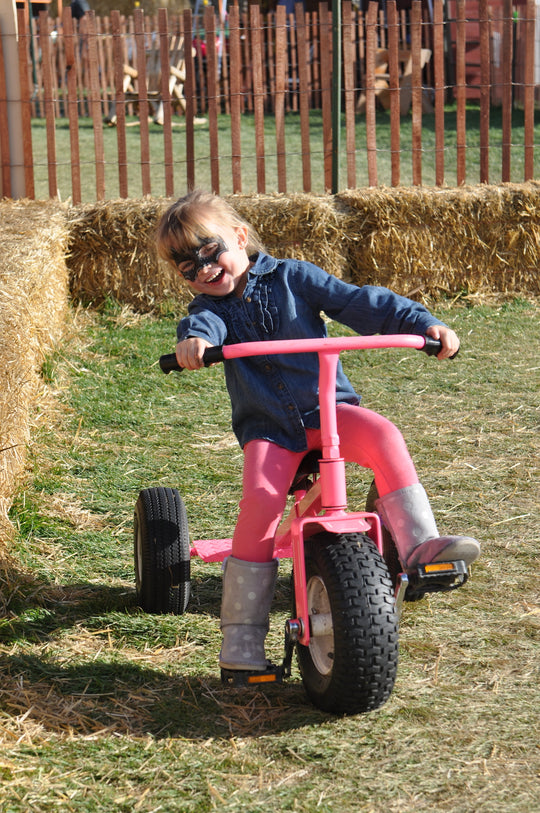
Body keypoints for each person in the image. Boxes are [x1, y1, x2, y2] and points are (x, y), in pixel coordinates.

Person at [156, 189, 480, 673]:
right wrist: (195, 344)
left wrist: (423, 323)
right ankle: (241, 639)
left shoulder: (293, 277)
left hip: (329, 411)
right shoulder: (209, 310)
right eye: (186, 266)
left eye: (210, 250)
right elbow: (200, 330)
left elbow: (361, 303)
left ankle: (418, 549)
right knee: (262, 501)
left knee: (384, 435)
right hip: (271, 431)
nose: (203, 269)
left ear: (240, 237)